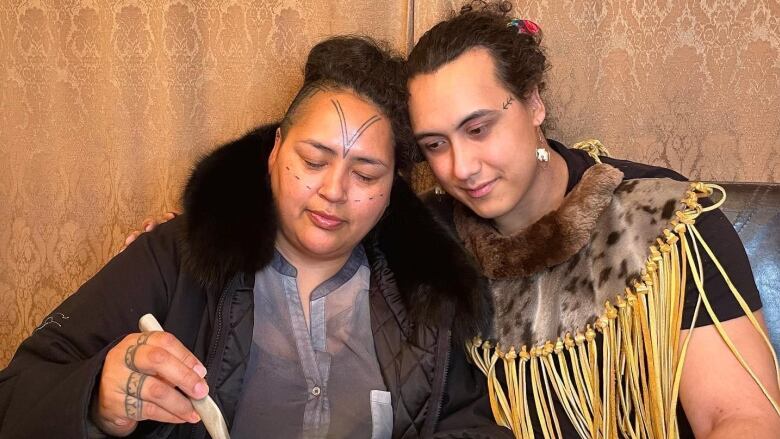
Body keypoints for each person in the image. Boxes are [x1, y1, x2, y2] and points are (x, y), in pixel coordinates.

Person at [0, 36, 510, 438]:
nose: (333, 190)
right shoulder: (175, 258)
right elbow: (17, 395)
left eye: (367, 174)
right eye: (312, 161)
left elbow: (469, 424)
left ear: (393, 186)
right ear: (275, 150)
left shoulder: (423, 292)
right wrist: (97, 401)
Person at [403, 2, 780, 438]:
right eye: (434, 144)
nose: (460, 167)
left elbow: (740, 418)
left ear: (533, 102)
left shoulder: (663, 223)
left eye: (478, 129)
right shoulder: (428, 243)